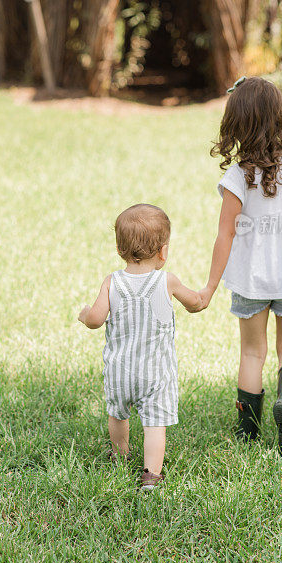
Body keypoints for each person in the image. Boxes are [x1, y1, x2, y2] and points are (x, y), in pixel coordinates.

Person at [199, 76, 282, 456]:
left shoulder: (237, 176)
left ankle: (248, 433)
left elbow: (225, 235)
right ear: (280, 118)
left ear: (236, 125)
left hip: (250, 280)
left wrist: (209, 287)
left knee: (252, 353)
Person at [78, 203, 202, 490]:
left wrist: (85, 313)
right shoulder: (166, 280)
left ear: (120, 250)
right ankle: (151, 475)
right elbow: (194, 303)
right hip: (155, 375)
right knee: (154, 423)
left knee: (117, 414)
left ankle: (120, 454)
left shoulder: (112, 282)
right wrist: (203, 296)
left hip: (120, 371)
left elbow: (96, 319)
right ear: (163, 252)